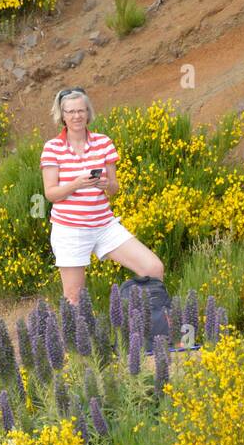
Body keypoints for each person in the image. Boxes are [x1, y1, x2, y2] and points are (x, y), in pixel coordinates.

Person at [40, 87, 164, 305]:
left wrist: (108, 184)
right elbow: (50, 194)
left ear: (88, 112)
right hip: (70, 229)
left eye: (81, 110)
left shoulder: (103, 142)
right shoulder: (52, 148)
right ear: (62, 115)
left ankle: (149, 326)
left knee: (153, 268)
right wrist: (77, 183)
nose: (77, 116)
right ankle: (77, 339)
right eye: (70, 112)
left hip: (104, 224)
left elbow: (114, 188)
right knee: (74, 298)